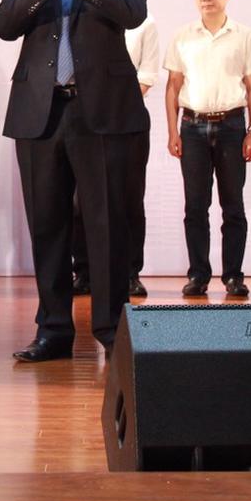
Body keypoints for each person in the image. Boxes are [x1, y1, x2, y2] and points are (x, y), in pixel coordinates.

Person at [0, 0, 148, 361]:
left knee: (106, 224)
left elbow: (133, 13)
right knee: (47, 225)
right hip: (40, 113)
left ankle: (111, 330)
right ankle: (54, 330)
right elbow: (5, 25)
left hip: (101, 112)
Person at [165, 0, 251, 298]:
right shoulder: (182, 36)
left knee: (233, 205)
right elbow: (173, 86)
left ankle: (233, 276)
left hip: (232, 127)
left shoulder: (244, 35)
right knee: (195, 206)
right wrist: (172, 131)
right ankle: (198, 275)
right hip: (192, 128)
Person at [71, 15, 159, 298]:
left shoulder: (143, 22)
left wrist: (109, 102)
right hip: (84, 120)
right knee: (79, 200)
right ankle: (83, 271)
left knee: (129, 199)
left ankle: (130, 272)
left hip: (125, 118)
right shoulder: (78, 18)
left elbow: (147, 76)